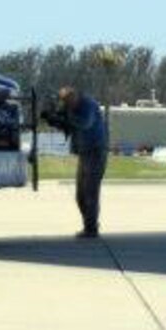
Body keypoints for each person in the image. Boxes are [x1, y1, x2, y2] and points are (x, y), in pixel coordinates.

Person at [42, 86, 108, 238]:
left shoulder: (88, 104)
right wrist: (51, 119)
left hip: (96, 151)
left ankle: (91, 228)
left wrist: (62, 117)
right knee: (80, 195)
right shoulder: (71, 107)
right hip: (85, 152)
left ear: (75, 96)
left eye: (67, 101)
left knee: (90, 192)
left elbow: (84, 123)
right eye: (64, 102)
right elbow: (67, 125)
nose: (66, 105)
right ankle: (90, 224)